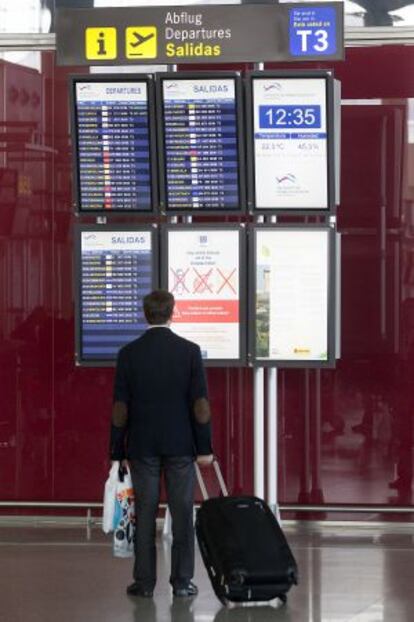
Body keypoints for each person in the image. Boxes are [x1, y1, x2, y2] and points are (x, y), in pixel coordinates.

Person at [110, 290, 213, 599]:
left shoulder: (129, 353)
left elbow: (120, 408)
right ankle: (182, 582)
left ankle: (144, 583)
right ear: (172, 313)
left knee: (144, 512)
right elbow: (200, 405)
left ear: (145, 315)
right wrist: (204, 447)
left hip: (142, 448)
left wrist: (117, 451)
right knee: (182, 513)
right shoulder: (189, 351)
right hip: (181, 446)